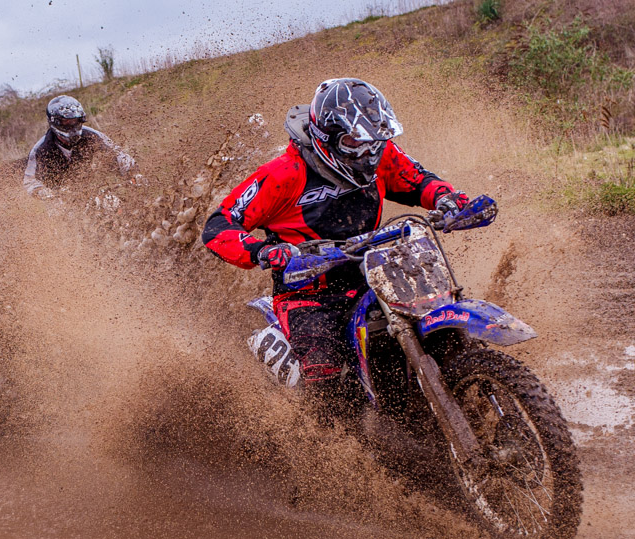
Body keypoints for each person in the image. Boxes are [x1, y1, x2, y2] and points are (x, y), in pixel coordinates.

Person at [202, 77, 469, 411]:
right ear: (326, 137)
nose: (367, 152)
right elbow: (218, 225)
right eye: (354, 141)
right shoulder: (284, 174)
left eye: (373, 140)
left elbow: (419, 181)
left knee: (442, 316)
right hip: (310, 293)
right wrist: (262, 251)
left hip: (376, 274)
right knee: (326, 381)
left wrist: (447, 199)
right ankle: (324, 437)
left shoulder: (380, 154)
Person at [23, 95, 136, 197]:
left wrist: (133, 173)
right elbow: (29, 181)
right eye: (66, 122)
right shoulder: (41, 149)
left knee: (114, 201)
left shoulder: (92, 135)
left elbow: (119, 154)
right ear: (55, 122)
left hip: (92, 188)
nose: (72, 126)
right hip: (59, 197)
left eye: (76, 121)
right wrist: (42, 192)